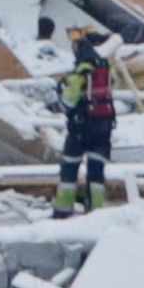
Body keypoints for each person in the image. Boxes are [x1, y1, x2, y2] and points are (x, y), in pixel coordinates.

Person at [54, 29, 117, 218]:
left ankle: (63, 211)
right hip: (103, 127)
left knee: (69, 170)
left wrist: (61, 92)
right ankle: (95, 212)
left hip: (80, 129)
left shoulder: (79, 72)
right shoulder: (105, 69)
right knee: (96, 173)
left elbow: (68, 103)